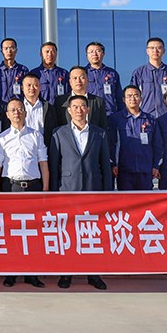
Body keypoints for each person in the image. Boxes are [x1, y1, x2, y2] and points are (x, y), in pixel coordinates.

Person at [48, 95, 112, 290]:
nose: (78, 110)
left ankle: (93, 274)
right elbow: (54, 166)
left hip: (93, 190)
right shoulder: (59, 133)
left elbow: (105, 166)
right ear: (69, 111)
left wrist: (108, 194)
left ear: (88, 109)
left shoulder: (99, 133)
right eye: (74, 107)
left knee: (92, 233)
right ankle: (66, 273)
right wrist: (53, 194)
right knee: (69, 233)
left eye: (82, 106)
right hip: (67, 190)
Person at [0, 98, 47, 288]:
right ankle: (11, 273)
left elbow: (43, 163)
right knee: (12, 232)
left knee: (33, 231)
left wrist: (45, 190)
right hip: (11, 187)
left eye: (20, 109)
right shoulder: (2, 138)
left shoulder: (36, 135)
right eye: (12, 110)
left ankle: (32, 274)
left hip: (33, 188)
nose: (16, 112)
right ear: (7, 114)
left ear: (25, 112)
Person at [107, 85, 160, 191]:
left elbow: (157, 145)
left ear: (141, 98)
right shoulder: (115, 119)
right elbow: (111, 143)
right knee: (126, 200)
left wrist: (155, 166)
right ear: (123, 99)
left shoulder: (150, 119)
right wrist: (113, 164)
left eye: (136, 95)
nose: (133, 98)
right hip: (124, 171)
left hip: (145, 170)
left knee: (145, 200)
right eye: (129, 96)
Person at [130, 37, 167, 118]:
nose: (155, 50)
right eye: (152, 48)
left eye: (159, 48)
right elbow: (132, 97)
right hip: (146, 117)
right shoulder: (139, 73)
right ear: (147, 51)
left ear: (164, 51)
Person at [54, 66, 108, 131]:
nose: (78, 81)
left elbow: (103, 127)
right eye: (75, 78)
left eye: (82, 78)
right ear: (70, 82)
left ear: (87, 80)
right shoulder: (61, 101)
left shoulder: (98, 102)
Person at [85, 41, 122, 116]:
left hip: (109, 114)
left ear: (103, 53)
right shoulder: (83, 73)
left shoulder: (112, 73)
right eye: (91, 52)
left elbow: (119, 97)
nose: (94, 54)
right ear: (87, 55)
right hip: (89, 113)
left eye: (98, 51)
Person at [21, 72, 58, 148]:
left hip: (44, 148)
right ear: (22, 88)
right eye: (29, 85)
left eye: (36, 85)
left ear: (40, 87)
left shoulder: (48, 107)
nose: (32, 88)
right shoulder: (17, 107)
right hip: (23, 149)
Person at [0, 38, 30, 103]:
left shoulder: (23, 70)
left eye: (12, 48)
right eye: (6, 48)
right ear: (2, 51)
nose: (9, 51)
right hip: (0, 106)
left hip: (18, 106)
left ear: (16, 51)